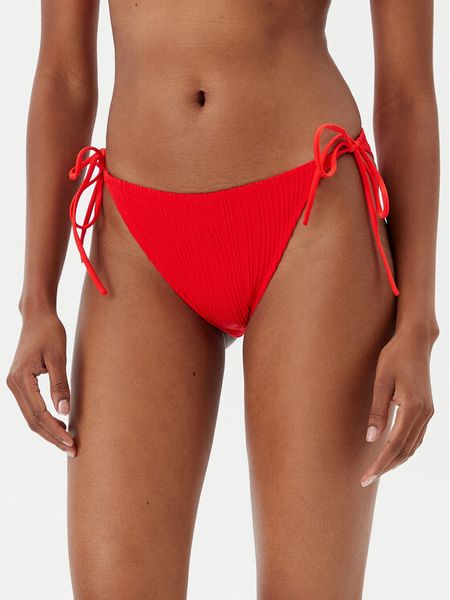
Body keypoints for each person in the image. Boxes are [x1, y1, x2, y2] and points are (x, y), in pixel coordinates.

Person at [6, 1, 440, 598]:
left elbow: (406, 95)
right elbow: (63, 76)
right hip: (137, 243)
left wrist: (417, 324)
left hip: (310, 215)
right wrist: (36, 300)